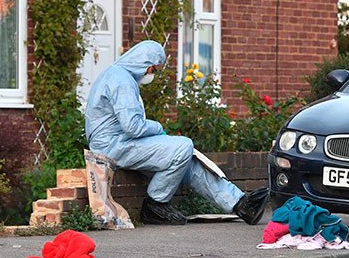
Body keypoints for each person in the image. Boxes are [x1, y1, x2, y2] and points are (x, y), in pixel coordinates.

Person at [84, 40, 268, 226]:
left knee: (186, 157)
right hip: (112, 147)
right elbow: (133, 126)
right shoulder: (121, 80)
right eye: (153, 70)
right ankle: (155, 205)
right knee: (184, 146)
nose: (152, 75)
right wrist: (157, 128)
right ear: (143, 63)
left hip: (120, 142)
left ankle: (240, 204)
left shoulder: (118, 76)